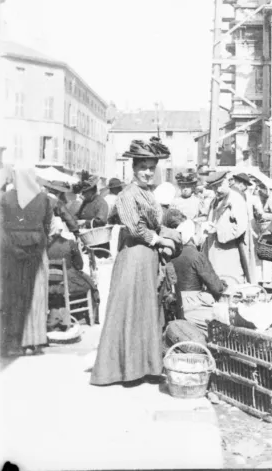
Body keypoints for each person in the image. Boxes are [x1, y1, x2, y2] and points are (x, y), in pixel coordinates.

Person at [90, 137, 181, 386]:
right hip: (134, 256)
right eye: (143, 168)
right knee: (130, 308)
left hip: (148, 257)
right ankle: (126, 370)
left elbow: (156, 220)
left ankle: (147, 366)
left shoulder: (147, 193)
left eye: (152, 168)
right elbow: (136, 228)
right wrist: (161, 240)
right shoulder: (128, 194)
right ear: (134, 169)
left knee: (147, 308)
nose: (148, 173)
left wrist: (168, 232)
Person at [0, 167, 53, 357]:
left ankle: (15, 343)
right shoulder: (44, 198)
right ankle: (35, 342)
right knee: (37, 297)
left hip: (12, 254)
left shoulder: (5, 198)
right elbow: (48, 226)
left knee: (15, 297)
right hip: (37, 254)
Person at [171, 220, 227, 331]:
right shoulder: (197, 256)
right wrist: (224, 285)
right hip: (194, 307)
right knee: (226, 319)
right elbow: (217, 287)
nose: (201, 236)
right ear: (193, 236)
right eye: (198, 233)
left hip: (178, 307)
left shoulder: (174, 255)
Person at [47, 217, 99, 327]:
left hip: (51, 284)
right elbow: (79, 265)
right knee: (90, 285)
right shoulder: (70, 243)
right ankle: (85, 317)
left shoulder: (45, 247)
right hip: (69, 282)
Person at [201, 171, 249, 284]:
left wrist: (218, 230)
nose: (217, 190)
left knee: (230, 282)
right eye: (214, 187)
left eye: (220, 185)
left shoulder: (236, 199)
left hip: (229, 250)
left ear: (228, 182)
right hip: (213, 250)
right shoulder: (215, 200)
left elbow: (240, 227)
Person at [230, 172, 261, 284]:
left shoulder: (236, 194)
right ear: (242, 184)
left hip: (243, 229)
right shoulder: (239, 195)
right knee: (244, 258)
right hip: (242, 231)